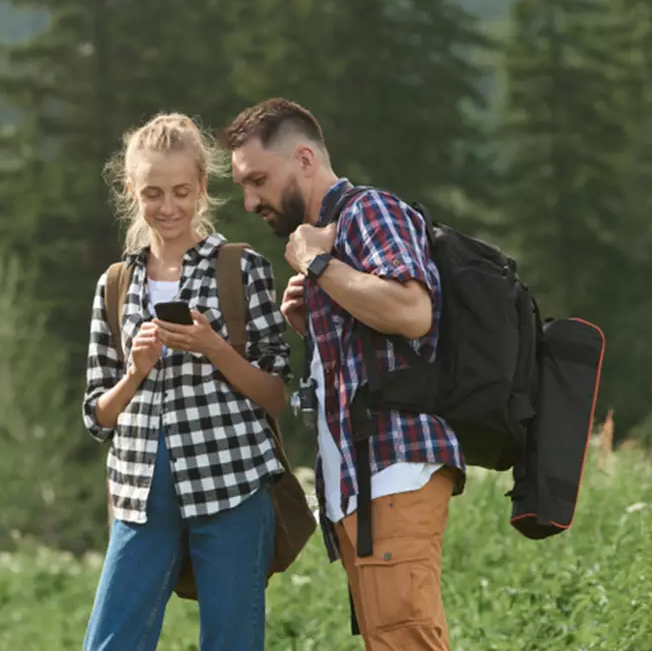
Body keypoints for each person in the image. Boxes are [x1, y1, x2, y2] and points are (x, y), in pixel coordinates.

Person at [222, 98, 465, 651]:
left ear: (304, 159)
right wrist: (313, 319)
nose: (249, 199)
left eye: (258, 179)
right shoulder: (329, 236)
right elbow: (379, 352)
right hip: (362, 484)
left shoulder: (366, 211)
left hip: (393, 472)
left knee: (406, 641)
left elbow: (412, 312)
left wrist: (320, 266)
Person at [81, 112, 293, 651]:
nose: (168, 206)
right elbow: (97, 415)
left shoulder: (240, 269)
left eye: (180, 190)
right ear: (132, 192)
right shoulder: (115, 283)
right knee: (111, 641)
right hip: (138, 491)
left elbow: (276, 394)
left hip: (231, 480)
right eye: (152, 192)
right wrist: (134, 373)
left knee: (231, 641)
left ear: (201, 186)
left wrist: (214, 348)